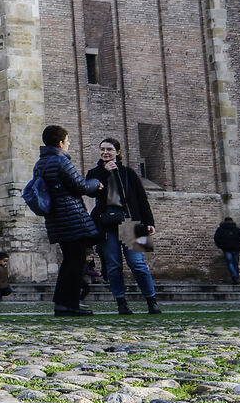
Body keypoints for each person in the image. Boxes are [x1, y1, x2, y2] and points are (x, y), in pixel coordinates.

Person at [33, 124, 101, 317]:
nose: (69, 143)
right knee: (76, 261)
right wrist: (97, 184)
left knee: (69, 260)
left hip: (56, 220)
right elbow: (81, 186)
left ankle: (63, 303)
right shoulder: (60, 161)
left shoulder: (41, 163)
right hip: (71, 218)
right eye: (68, 140)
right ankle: (70, 304)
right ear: (61, 142)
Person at [88, 136, 159, 317]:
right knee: (113, 265)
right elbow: (91, 189)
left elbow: (142, 199)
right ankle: (121, 303)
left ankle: (151, 300)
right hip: (106, 224)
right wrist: (105, 172)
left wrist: (149, 222)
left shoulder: (128, 173)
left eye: (109, 149)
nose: (105, 153)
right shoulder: (94, 173)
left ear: (117, 152)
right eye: (102, 149)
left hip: (131, 223)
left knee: (138, 264)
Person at [212, 214, 240, 284]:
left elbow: (216, 239)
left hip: (226, 249)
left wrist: (221, 246)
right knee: (235, 263)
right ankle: (236, 278)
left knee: (230, 263)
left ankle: (235, 277)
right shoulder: (237, 229)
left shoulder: (220, 229)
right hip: (236, 249)